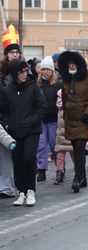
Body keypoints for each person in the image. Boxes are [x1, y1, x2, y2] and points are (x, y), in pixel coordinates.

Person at [3, 59, 47, 206]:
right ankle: (21, 192)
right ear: (15, 73)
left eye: (25, 71)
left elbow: (41, 107)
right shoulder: (7, 90)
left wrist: (32, 121)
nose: (24, 74)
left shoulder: (33, 87)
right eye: (21, 72)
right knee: (18, 161)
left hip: (32, 130)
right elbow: (4, 111)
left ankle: (31, 191)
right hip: (15, 132)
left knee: (28, 158)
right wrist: (8, 124)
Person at [58, 51, 88, 193]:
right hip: (70, 120)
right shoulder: (65, 78)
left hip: (84, 119)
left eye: (73, 63)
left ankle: (77, 179)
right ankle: (83, 178)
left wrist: (87, 113)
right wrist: (64, 117)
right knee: (77, 150)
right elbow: (64, 99)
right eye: (68, 63)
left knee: (79, 147)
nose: (71, 65)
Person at [0, 25, 23, 199]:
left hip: (21, 117)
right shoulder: (2, 74)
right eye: (11, 52)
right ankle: (6, 186)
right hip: (4, 116)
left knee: (21, 154)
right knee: (5, 153)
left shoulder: (24, 72)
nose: (14, 54)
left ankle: (21, 183)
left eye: (16, 51)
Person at [36, 56, 62, 182]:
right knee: (41, 146)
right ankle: (41, 170)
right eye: (43, 69)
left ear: (52, 70)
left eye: (47, 69)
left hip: (53, 120)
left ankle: (60, 169)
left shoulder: (58, 84)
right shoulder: (37, 85)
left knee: (54, 145)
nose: (45, 72)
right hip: (41, 120)